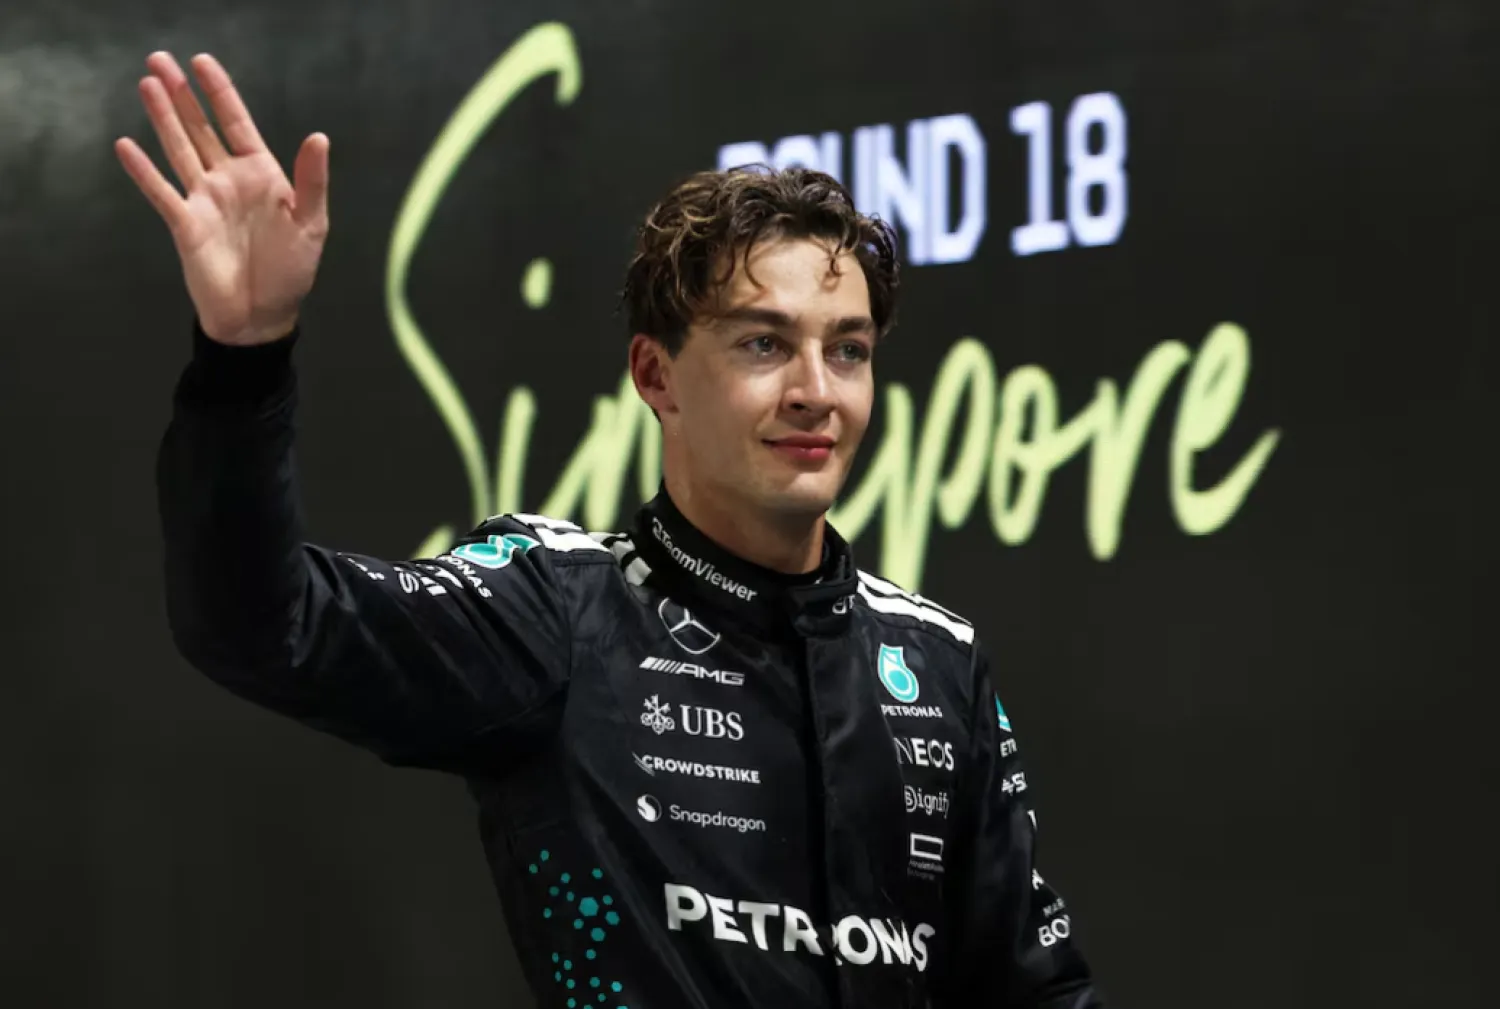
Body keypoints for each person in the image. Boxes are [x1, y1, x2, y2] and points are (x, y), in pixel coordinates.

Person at [119, 50, 1105, 1009]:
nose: (816, 391)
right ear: (656, 376)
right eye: (764, 343)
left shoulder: (936, 662)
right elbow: (264, 624)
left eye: (846, 350)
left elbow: (1039, 988)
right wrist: (243, 359)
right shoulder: (556, 612)